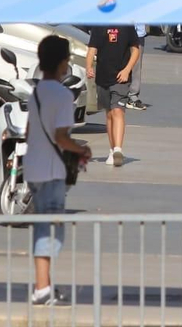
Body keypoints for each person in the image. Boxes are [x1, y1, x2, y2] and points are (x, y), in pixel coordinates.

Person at [26, 34, 92, 306]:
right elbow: (62, 137)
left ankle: (46, 285)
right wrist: (82, 150)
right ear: (62, 62)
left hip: (33, 168)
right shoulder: (63, 95)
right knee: (50, 229)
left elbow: (32, 131)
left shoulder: (37, 92)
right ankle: (42, 288)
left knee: (43, 225)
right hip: (52, 171)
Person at [86, 22, 142, 167]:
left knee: (118, 111)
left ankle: (118, 149)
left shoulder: (127, 26)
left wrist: (127, 70)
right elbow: (92, 49)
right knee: (109, 114)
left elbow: (135, 50)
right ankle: (112, 150)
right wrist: (89, 66)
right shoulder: (98, 26)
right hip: (103, 78)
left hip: (121, 78)